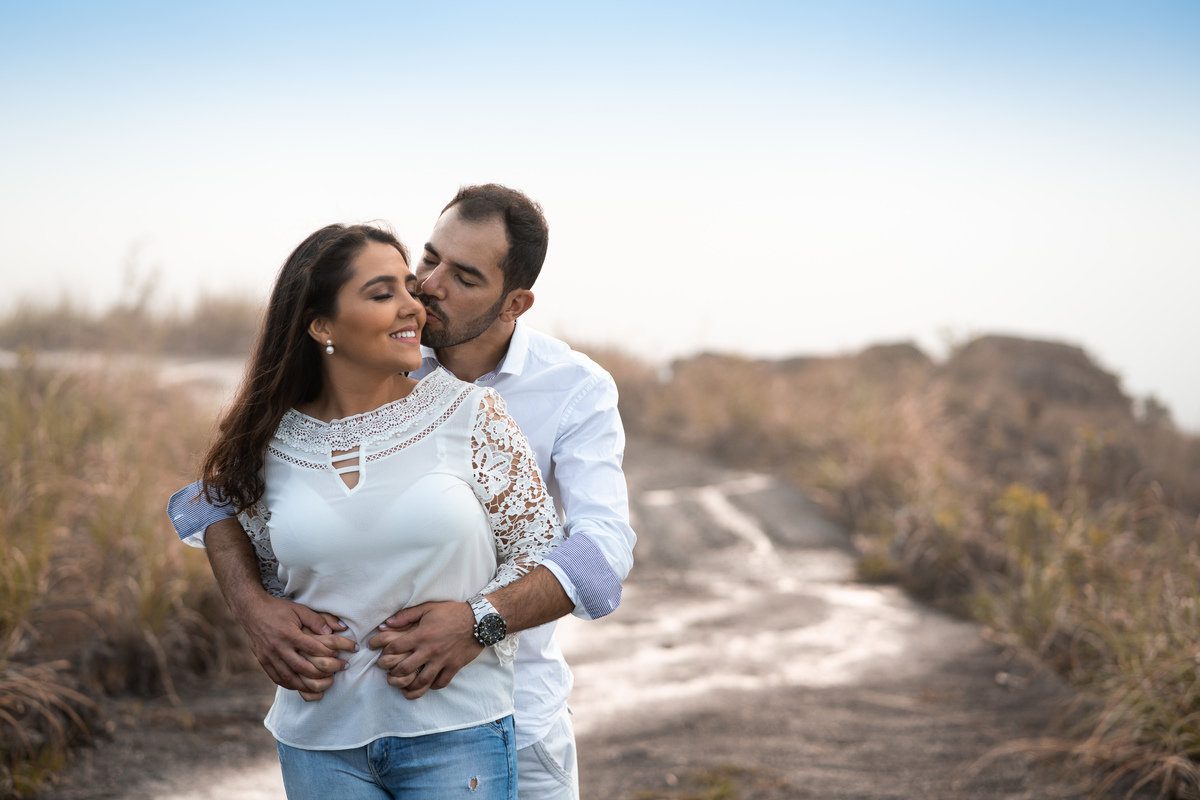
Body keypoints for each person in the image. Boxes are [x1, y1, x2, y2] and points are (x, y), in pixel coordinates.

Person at [169, 184, 636, 799]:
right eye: (429, 258)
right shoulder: (374, 358)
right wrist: (253, 608)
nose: (428, 286)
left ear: (513, 302)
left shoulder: (572, 388)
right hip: (339, 729)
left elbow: (601, 558)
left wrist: (478, 622)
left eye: (464, 276)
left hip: (513, 717)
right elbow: (212, 498)